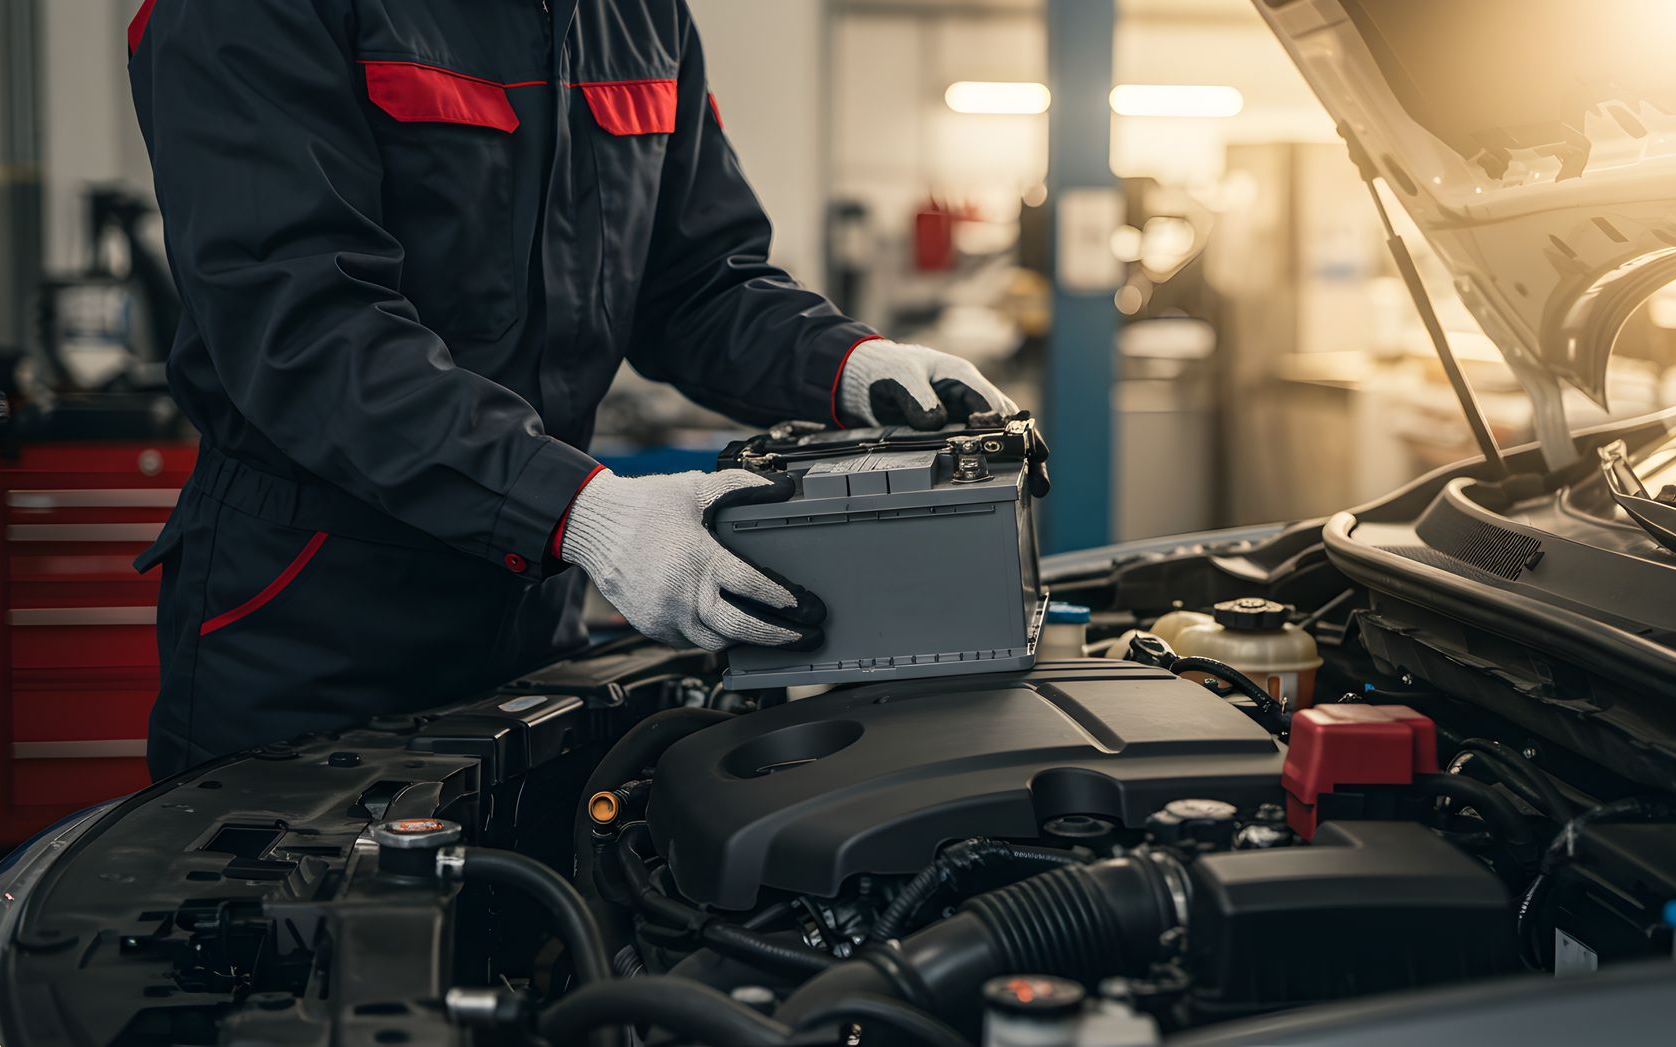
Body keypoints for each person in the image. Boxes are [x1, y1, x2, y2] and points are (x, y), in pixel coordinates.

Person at [124, 0, 1020, 777]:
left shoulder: (637, 14)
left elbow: (694, 282)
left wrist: (848, 366)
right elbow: (306, 326)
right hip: (308, 621)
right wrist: (584, 509)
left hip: (530, 613)